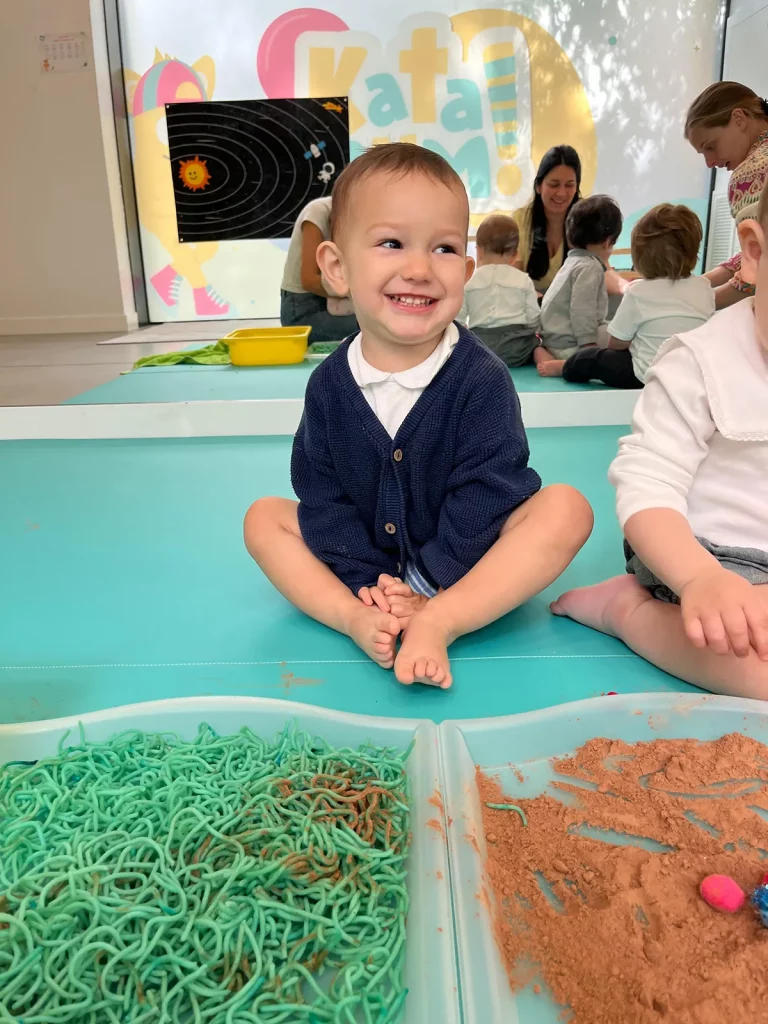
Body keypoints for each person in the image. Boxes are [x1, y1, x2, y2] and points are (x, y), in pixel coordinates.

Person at [244, 143, 593, 689]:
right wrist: (369, 584)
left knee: (567, 509)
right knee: (264, 519)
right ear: (337, 268)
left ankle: (443, 620)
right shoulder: (329, 386)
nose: (419, 269)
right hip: (366, 565)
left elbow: (489, 493)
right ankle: (354, 617)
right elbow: (323, 495)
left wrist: (428, 584)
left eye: (444, 248)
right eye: (391, 243)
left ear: (467, 271)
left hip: (461, 560)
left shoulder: (480, 378)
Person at [552, 176, 768, 699]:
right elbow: (647, 483)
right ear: (754, 254)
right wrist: (697, 577)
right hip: (706, 557)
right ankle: (629, 611)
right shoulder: (701, 360)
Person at [561, 204, 715, 389]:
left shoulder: (638, 292)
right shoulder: (704, 287)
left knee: (589, 357)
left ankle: (563, 368)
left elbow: (616, 344)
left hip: (642, 376)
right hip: (692, 375)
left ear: (639, 257)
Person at [685, 81, 768, 310]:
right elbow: (756, 250)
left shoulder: (752, 172)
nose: (710, 163)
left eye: (710, 147)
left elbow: (756, 273)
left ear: (739, 119)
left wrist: (685, 304)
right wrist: (696, 284)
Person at [535, 195, 623, 377]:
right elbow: (582, 310)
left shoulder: (572, 262)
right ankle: (566, 365)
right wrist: (588, 346)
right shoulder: (590, 267)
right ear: (608, 242)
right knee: (621, 337)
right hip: (571, 345)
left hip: (553, 340)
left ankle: (543, 354)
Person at [459, 214, 539, 366]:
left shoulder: (470, 282)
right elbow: (533, 318)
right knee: (538, 344)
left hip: (483, 348)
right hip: (516, 347)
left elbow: (458, 319)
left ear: (478, 251)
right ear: (515, 255)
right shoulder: (523, 280)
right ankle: (542, 360)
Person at [280, 196, 359, 342]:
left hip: (335, 301)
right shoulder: (318, 211)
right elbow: (309, 281)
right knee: (374, 328)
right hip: (302, 310)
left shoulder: (358, 216)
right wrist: (355, 293)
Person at [511, 145, 581, 294]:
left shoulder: (587, 219)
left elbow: (601, 270)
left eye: (569, 185)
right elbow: (513, 277)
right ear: (538, 186)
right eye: (554, 185)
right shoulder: (520, 220)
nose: (561, 193)